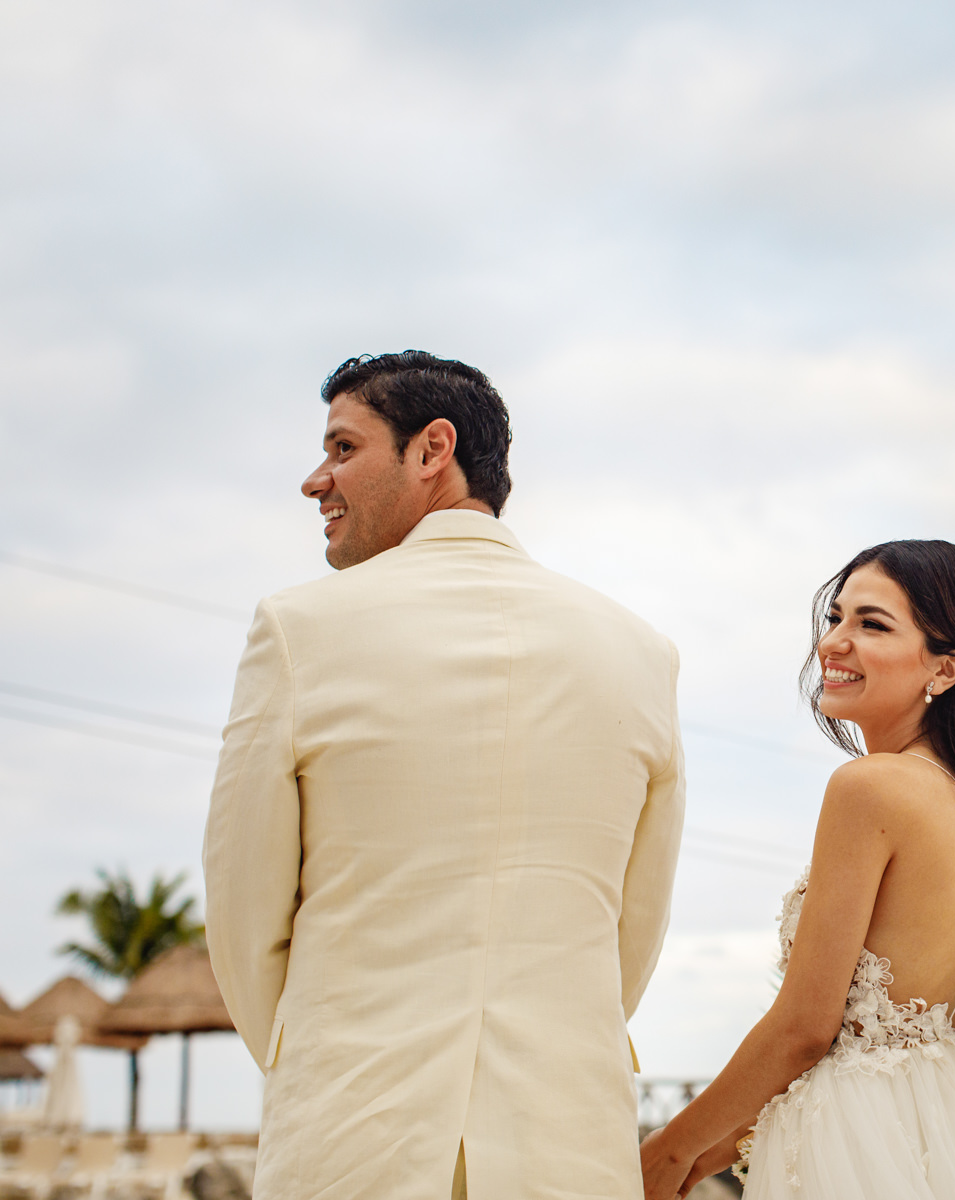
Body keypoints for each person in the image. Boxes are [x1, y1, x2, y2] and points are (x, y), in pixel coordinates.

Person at [204, 351, 684, 1200]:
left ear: (433, 449)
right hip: (570, 1143)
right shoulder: (640, 653)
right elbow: (632, 934)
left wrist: (324, 1051)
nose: (315, 481)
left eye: (343, 448)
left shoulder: (297, 630)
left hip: (349, 1138)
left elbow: (244, 909)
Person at [640, 540, 955, 1200]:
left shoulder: (870, 788)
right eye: (835, 619)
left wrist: (668, 1152)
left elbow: (806, 1030)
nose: (834, 643)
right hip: (948, 1125)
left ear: (948, 668)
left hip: (859, 1142)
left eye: (872, 624)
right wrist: (706, 1156)